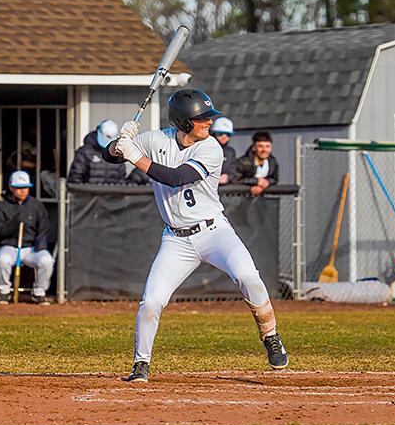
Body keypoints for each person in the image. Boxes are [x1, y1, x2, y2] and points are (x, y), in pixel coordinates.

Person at [104, 88, 288, 382]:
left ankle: (270, 335)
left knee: (248, 276)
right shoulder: (156, 139)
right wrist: (118, 145)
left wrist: (134, 156)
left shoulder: (211, 148)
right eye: (202, 119)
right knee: (151, 301)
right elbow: (109, 156)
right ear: (184, 122)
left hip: (214, 231)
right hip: (176, 239)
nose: (209, 123)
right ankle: (141, 364)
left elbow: (176, 178)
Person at [0, 171, 53, 305]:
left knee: (46, 260)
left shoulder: (36, 205)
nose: (22, 191)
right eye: (19, 188)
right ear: (11, 187)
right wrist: (13, 224)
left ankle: (39, 293)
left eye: (25, 187)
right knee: (2, 260)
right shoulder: (2, 206)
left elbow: (43, 228)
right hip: (10, 247)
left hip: (31, 248)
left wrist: (40, 247)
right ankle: (4, 292)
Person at [68, 120, 127, 184]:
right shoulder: (84, 152)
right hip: (88, 193)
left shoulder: (117, 154)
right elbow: (75, 178)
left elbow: (121, 179)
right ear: (98, 132)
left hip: (112, 193)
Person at [234, 131, 279, 196]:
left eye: (267, 146)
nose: (264, 150)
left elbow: (275, 179)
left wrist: (266, 183)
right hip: (241, 198)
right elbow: (235, 180)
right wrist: (256, 181)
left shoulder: (272, 162)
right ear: (254, 147)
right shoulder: (243, 162)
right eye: (260, 146)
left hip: (263, 199)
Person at [210, 117, 236, 185]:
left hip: (223, 190)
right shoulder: (205, 149)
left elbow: (233, 168)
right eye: (220, 134)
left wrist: (228, 176)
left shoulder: (230, 152)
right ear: (213, 134)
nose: (224, 137)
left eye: (228, 134)